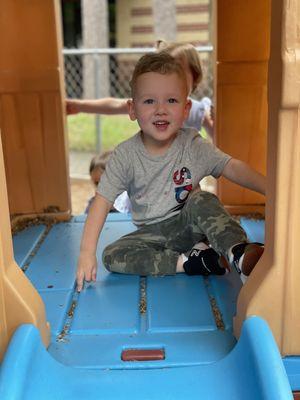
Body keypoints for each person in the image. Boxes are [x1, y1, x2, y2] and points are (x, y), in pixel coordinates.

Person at [76, 52, 265, 292]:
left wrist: (270, 187)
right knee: (112, 255)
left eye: (171, 101)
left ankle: (237, 252)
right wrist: (86, 252)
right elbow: (102, 201)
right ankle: (191, 262)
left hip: (192, 223)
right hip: (154, 235)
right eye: (149, 101)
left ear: (186, 108)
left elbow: (231, 166)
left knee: (203, 199)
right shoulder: (125, 155)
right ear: (132, 109)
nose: (161, 110)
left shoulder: (192, 145)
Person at [66, 41, 214, 138]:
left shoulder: (196, 112)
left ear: (194, 77)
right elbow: (116, 105)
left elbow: (220, 142)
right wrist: (78, 106)